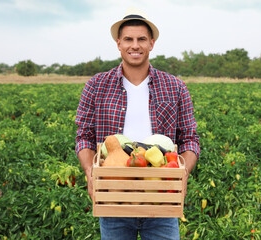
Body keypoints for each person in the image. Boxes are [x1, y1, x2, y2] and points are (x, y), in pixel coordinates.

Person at [75, 7, 200, 240]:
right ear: (118, 44)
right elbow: (84, 135)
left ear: (151, 44)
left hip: (161, 197)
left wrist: (182, 176)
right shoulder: (96, 85)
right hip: (114, 197)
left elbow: (190, 138)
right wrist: (90, 172)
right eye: (128, 39)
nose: (135, 45)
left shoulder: (175, 86)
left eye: (141, 39)